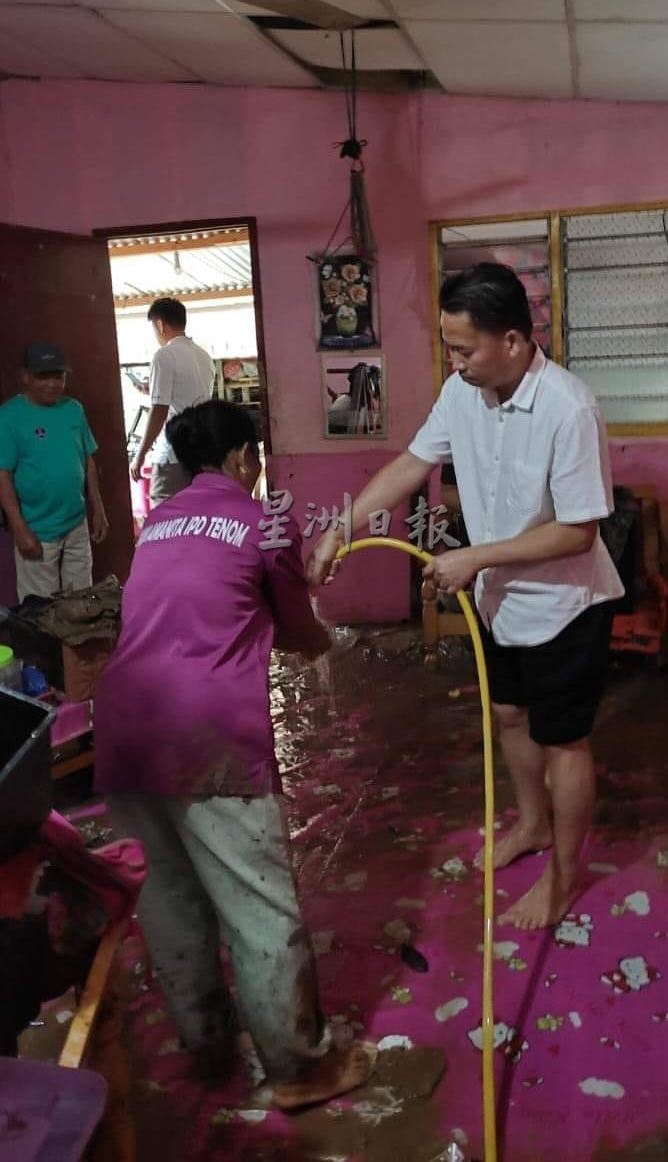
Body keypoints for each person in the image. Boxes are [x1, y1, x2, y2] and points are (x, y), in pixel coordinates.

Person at [308, 263, 623, 932]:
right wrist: (345, 523)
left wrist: (473, 557)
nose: (454, 362)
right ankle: (532, 826)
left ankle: (564, 878)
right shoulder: (462, 394)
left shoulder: (568, 407)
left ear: (512, 339)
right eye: (448, 348)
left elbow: (577, 530)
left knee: (562, 740)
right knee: (509, 717)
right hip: (499, 598)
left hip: (566, 603)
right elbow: (412, 462)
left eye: (463, 348)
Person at [94, 400, 375, 1106]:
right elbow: (295, 629)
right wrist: (334, 644)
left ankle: (209, 1049)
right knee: (259, 909)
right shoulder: (262, 523)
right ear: (245, 459)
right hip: (207, 737)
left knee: (171, 902)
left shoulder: (157, 523)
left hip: (124, 727)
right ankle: (298, 1069)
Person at [0, 344, 108, 603]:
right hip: (36, 528)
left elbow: (87, 459)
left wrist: (98, 509)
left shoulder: (74, 409)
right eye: (42, 376)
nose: (52, 384)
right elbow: (2, 476)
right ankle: (47, 646)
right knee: (40, 609)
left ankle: (75, 646)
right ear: (25, 376)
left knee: (81, 602)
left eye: (58, 376)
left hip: (76, 524)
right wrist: (19, 529)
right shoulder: (8, 416)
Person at [130, 297, 215, 507]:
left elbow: (159, 410)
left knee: (166, 515)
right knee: (197, 515)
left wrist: (140, 455)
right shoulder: (204, 357)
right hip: (201, 451)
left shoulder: (164, 355)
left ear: (160, 324)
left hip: (173, 453)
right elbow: (188, 395)